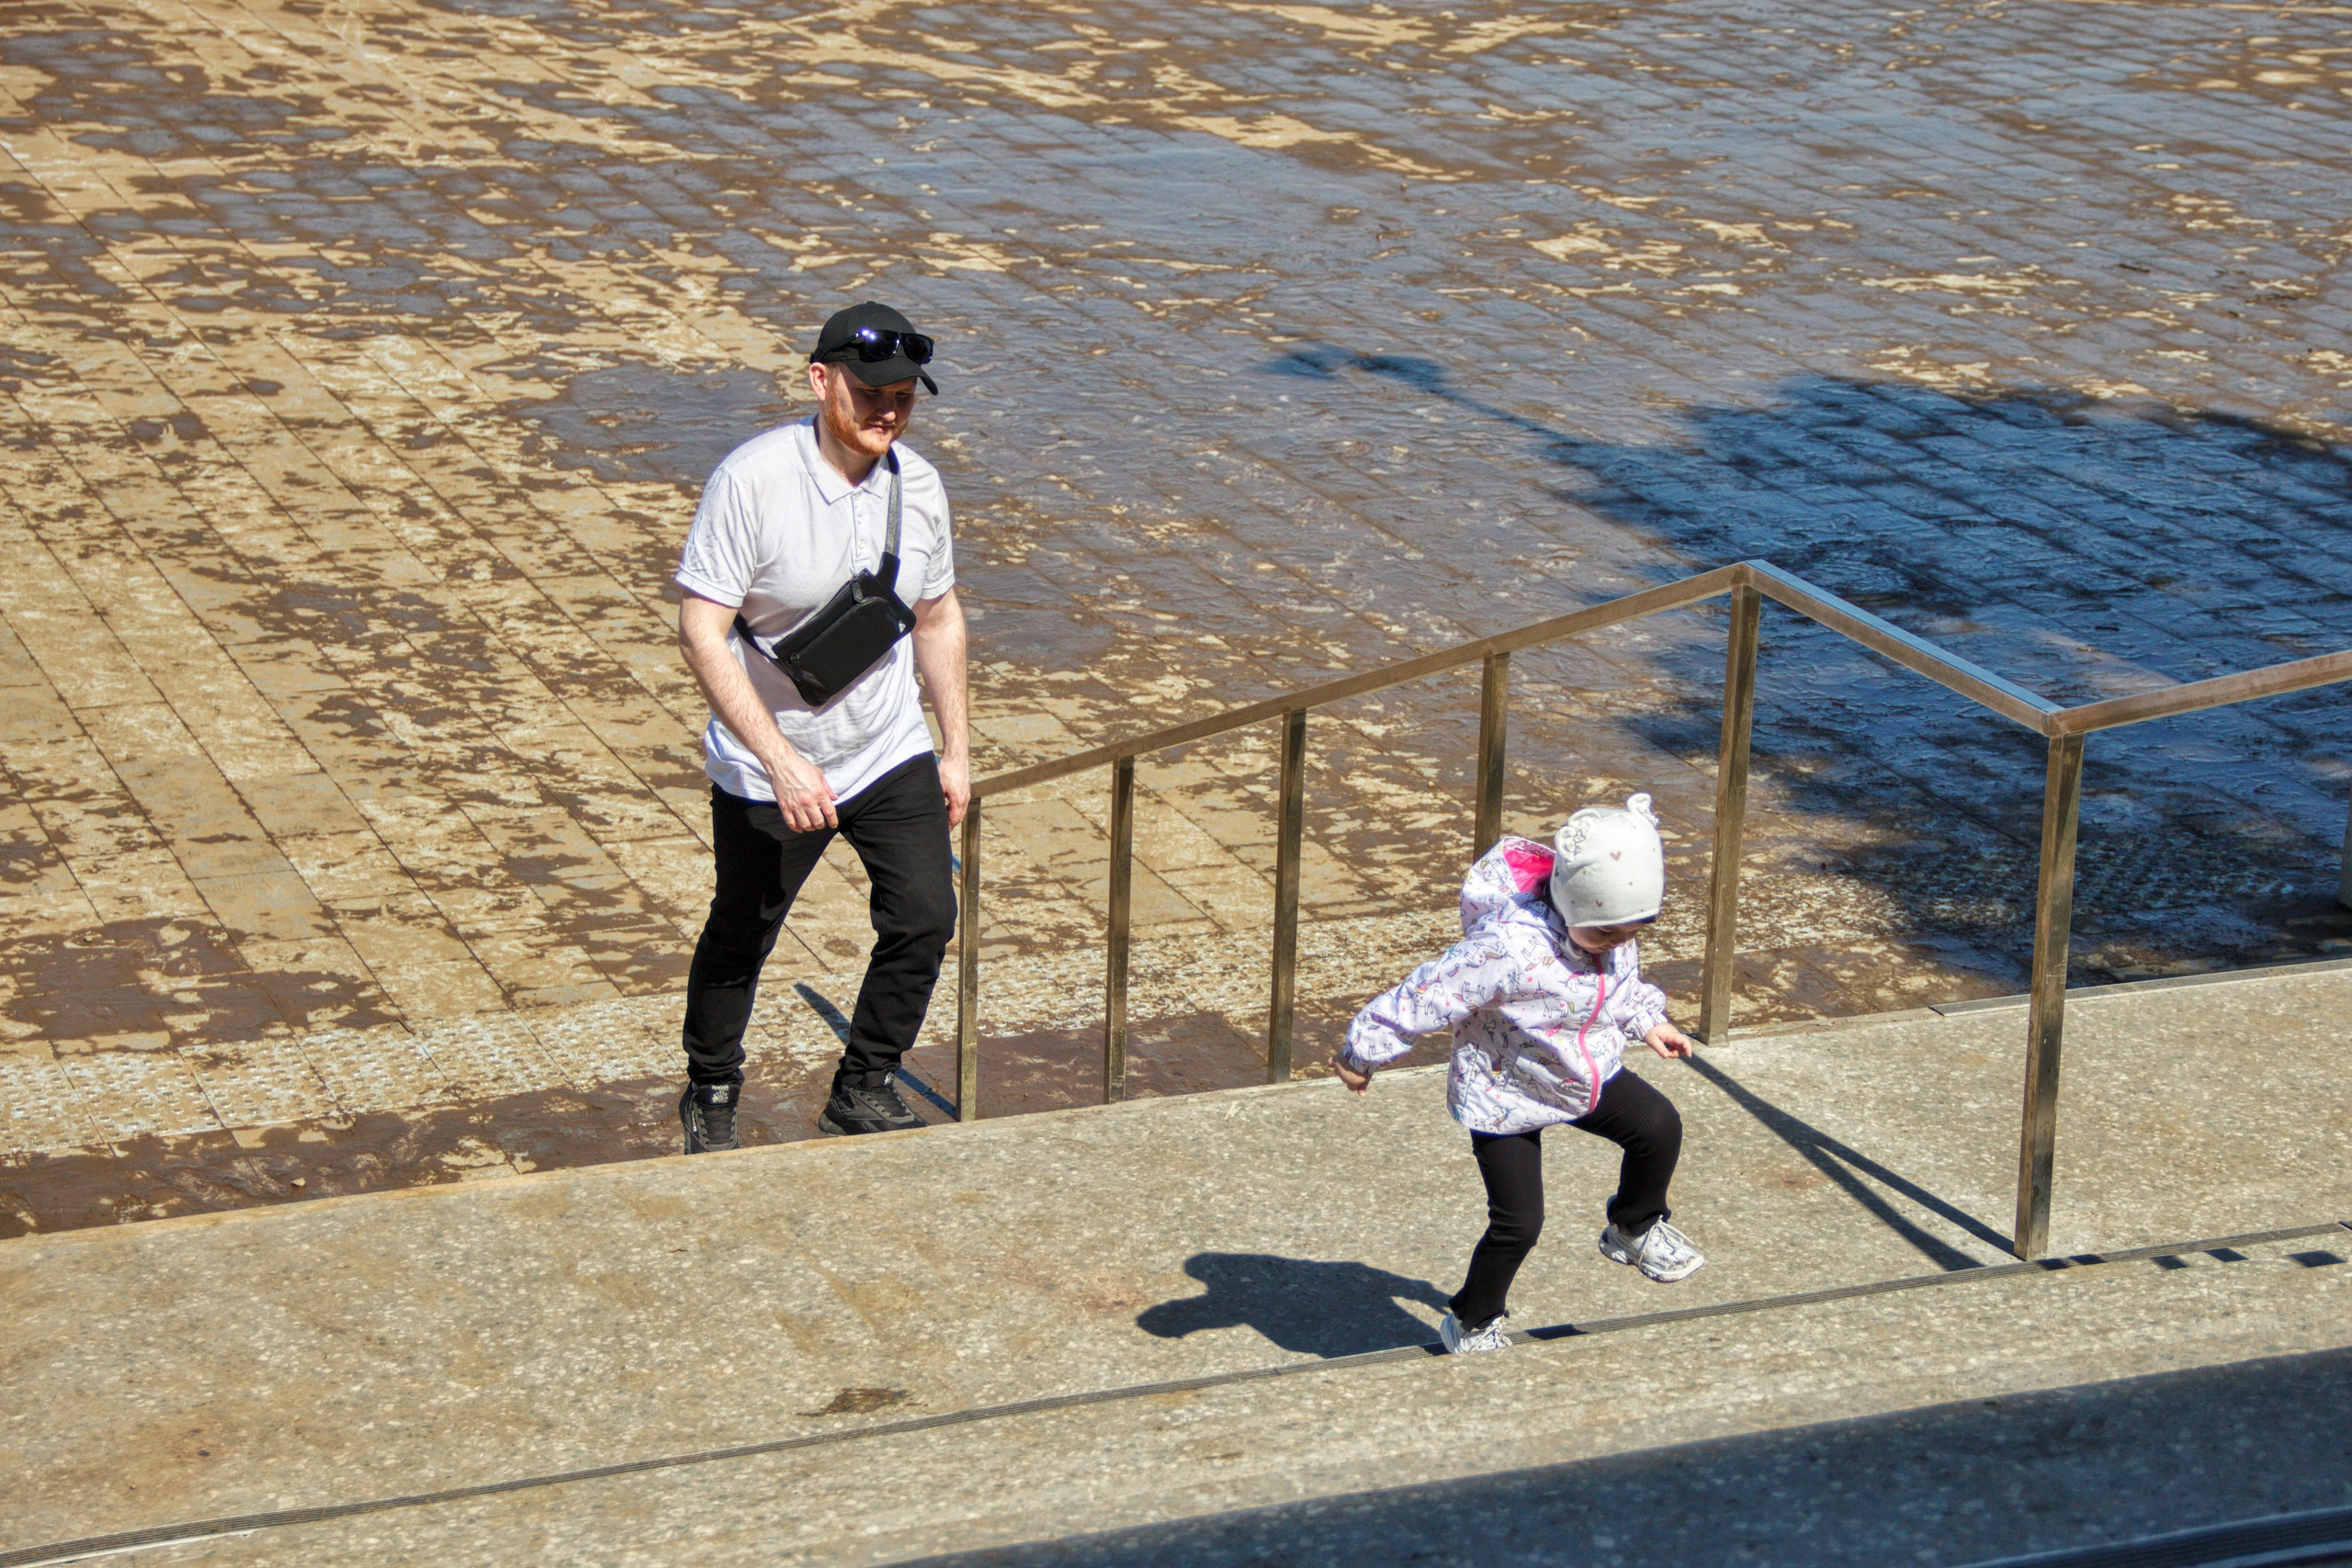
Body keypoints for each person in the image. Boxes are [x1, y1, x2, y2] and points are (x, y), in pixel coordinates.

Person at [671, 301, 968, 1151]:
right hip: (770, 763)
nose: (888, 412)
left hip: (887, 746)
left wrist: (955, 748)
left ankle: (864, 1082)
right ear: (819, 380)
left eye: (905, 397)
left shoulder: (920, 488)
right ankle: (712, 1085)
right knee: (743, 932)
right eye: (872, 392)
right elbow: (702, 630)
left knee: (923, 917)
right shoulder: (752, 480)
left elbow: (939, 618)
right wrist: (780, 759)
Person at [1332, 793, 1704, 1354]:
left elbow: (1620, 985)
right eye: (1606, 934)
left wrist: (1649, 1021)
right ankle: (1474, 1318)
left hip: (1577, 1071)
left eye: (1631, 932)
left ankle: (1633, 1228)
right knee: (1519, 1224)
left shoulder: (1611, 928)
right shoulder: (1507, 949)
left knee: (1657, 1125)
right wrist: (1361, 1053)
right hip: (1502, 1089)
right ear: (1568, 901)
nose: (1618, 944)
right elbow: (1425, 996)